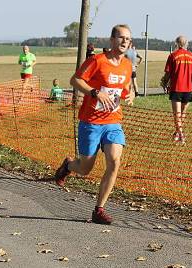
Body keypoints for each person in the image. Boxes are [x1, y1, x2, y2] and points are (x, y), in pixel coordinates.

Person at [54, 24, 134, 225]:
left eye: (128, 39)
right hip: (91, 122)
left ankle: (99, 209)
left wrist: (130, 93)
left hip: (113, 122)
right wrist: (95, 92)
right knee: (85, 168)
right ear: (112, 40)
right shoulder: (97, 60)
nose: (125, 41)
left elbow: (124, 87)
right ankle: (68, 166)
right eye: (121, 37)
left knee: (114, 161)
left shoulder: (127, 65)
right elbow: (75, 80)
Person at [163, 35, 192, 144]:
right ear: (186, 44)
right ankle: (178, 133)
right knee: (182, 113)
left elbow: (168, 73)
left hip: (176, 88)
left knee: (177, 114)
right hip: (189, 89)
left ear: (176, 43)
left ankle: (180, 135)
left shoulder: (173, 56)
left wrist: (165, 83)